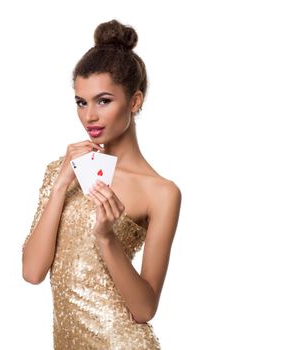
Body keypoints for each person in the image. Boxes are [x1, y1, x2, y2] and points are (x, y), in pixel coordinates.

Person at [21, 19, 182, 350]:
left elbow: (144, 309)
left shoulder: (161, 191)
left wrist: (107, 238)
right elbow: (33, 272)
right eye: (81, 102)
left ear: (135, 101)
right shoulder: (61, 171)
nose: (89, 116)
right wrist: (61, 184)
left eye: (103, 100)